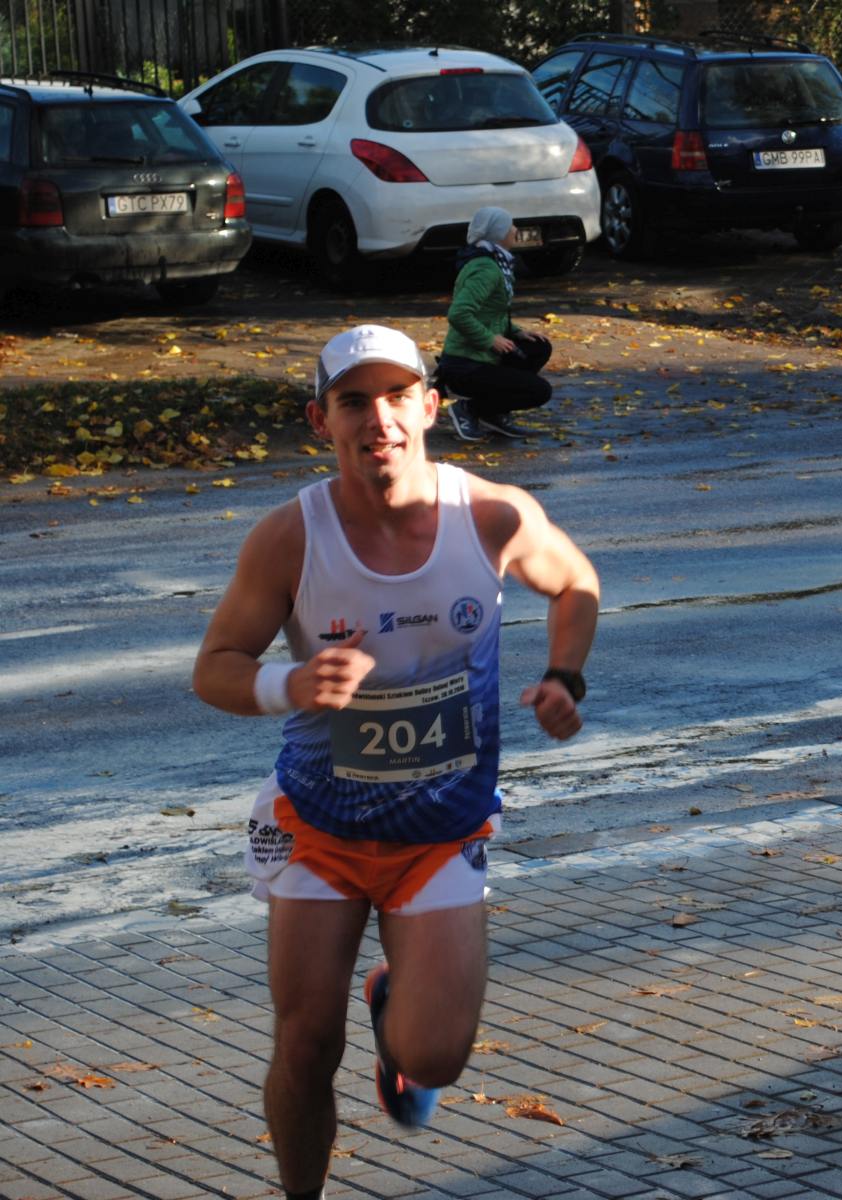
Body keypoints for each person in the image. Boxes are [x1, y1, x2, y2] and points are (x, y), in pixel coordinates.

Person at [192, 324, 599, 1200]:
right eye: (353, 402)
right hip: (319, 827)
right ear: (321, 421)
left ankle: (396, 1010)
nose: (377, 418)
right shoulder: (289, 537)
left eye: (396, 397)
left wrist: (564, 675)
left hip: (441, 832)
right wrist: (290, 683)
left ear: (429, 407)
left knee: (436, 1057)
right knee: (306, 1045)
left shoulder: (490, 515)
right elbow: (214, 668)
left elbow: (575, 582)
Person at [436, 206, 553, 442]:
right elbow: (459, 314)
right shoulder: (486, 269)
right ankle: (469, 409)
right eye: (510, 226)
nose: (515, 230)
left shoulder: (495, 262)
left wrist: (516, 332)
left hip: (482, 356)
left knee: (538, 347)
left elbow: (490, 313)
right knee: (539, 391)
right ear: (499, 233)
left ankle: (493, 411)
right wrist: (490, 339)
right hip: (466, 364)